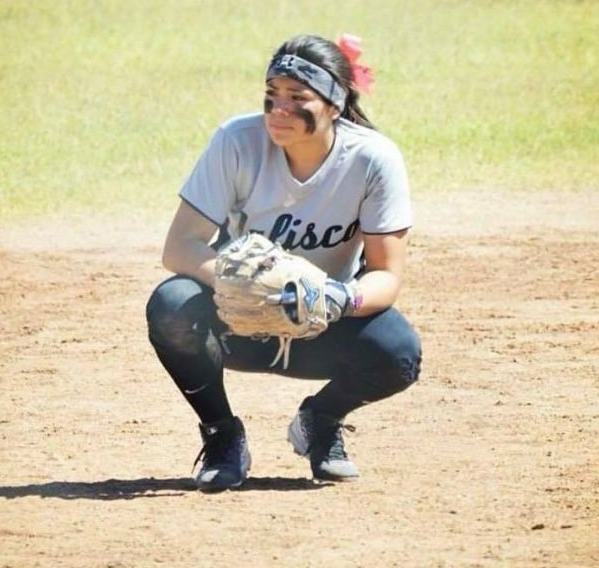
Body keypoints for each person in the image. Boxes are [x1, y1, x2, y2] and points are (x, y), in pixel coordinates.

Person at [145, 33, 422, 492]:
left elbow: (386, 277)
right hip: (239, 323)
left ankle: (322, 419)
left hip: (320, 325)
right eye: (272, 95)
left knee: (398, 354)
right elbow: (179, 248)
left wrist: (336, 297)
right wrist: (245, 286)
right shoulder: (237, 141)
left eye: (298, 98)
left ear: (335, 104)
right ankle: (222, 436)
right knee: (172, 306)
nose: (279, 110)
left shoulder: (373, 159)